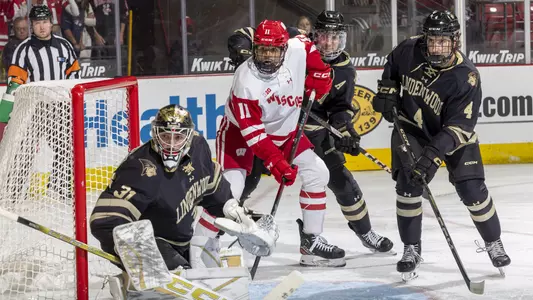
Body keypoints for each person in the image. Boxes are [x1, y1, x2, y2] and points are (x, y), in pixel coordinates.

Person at [372, 10, 511, 280]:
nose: (436, 48)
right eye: (432, 40)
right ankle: (411, 248)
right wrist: (387, 91)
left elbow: (458, 129)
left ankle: (493, 241)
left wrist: (431, 157)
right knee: (408, 186)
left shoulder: (466, 77)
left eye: (443, 41)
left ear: (455, 41)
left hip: (453, 137)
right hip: (413, 128)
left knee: (472, 190)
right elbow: (392, 66)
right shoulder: (409, 49)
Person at [90, 105, 277, 295]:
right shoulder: (140, 169)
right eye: (165, 136)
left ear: (189, 135)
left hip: (181, 243)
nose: (171, 144)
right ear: (155, 134)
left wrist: (234, 211)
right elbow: (105, 221)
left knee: (203, 275)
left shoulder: (198, 149)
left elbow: (211, 186)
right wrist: (141, 255)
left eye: (178, 137)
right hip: (153, 245)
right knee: (181, 288)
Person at [216, 19, 346, 267]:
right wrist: (277, 164)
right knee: (228, 193)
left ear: (283, 49)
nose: (267, 57)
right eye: (262, 50)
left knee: (318, 173)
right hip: (238, 135)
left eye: (273, 50)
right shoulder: (245, 81)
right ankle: (203, 246)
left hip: (284, 131)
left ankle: (311, 242)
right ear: (254, 48)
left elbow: (308, 47)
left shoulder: (296, 47)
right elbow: (254, 136)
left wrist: (321, 72)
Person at [0, 5, 80, 200]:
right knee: (24, 150)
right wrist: (7, 107)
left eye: (45, 22)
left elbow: (74, 73)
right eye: (37, 23)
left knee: (66, 148)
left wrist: (70, 99)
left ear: (51, 24)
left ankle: (61, 188)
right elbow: (16, 80)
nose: (42, 27)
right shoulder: (23, 49)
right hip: (34, 108)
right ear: (32, 25)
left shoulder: (64, 45)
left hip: (60, 107)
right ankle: (14, 191)